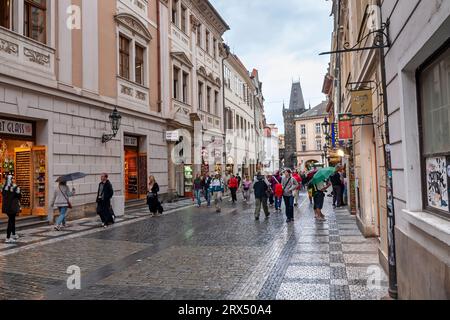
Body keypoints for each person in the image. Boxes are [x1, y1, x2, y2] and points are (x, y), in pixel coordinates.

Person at [2, 175, 21, 243]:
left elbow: (4, 195)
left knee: (12, 220)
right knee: (11, 221)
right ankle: (8, 237)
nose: (13, 179)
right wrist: (18, 191)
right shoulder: (15, 187)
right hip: (12, 207)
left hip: (6, 207)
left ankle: (13, 234)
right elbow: (18, 196)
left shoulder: (4, 187)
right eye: (12, 178)